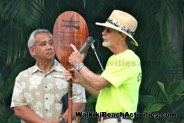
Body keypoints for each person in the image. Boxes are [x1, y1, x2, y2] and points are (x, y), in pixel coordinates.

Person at [66, 10, 142, 123]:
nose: (103, 33)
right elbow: (101, 93)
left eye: (108, 30)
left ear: (122, 36)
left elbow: (98, 83)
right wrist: (81, 80)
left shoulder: (128, 59)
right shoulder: (114, 59)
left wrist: (78, 64)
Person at [11, 29, 86, 123]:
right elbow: (18, 108)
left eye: (51, 43)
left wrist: (60, 120)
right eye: (43, 44)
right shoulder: (23, 77)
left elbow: (79, 104)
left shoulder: (71, 72)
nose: (49, 47)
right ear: (32, 50)